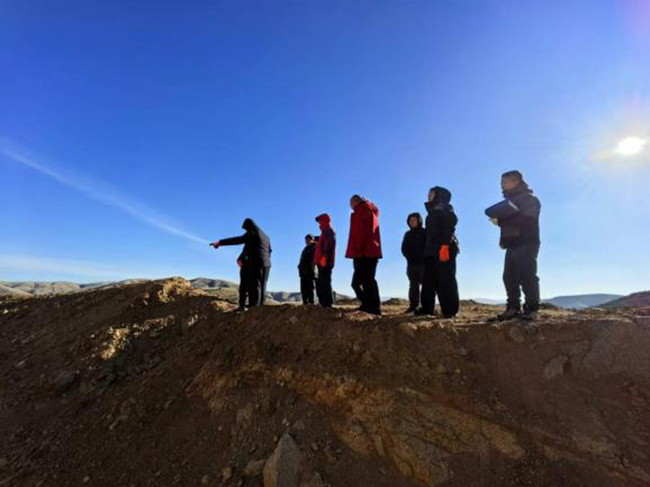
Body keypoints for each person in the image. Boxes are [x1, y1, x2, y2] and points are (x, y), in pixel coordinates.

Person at [491, 170, 541, 321]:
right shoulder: (510, 201)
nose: (501, 184)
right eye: (501, 182)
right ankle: (513, 308)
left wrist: (500, 221)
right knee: (509, 277)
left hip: (526, 242)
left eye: (504, 181)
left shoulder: (529, 199)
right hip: (512, 243)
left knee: (527, 276)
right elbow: (513, 220)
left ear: (516, 181)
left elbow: (527, 219)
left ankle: (532, 309)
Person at [416, 187, 460, 318]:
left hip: (444, 249)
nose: (428, 195)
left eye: (431, 193)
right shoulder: (431, 212)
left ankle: (449, 311)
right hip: (431, 251)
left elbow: (450, 225)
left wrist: (445, 245)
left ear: (439, 195)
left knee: (445, 280)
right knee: (428, 281)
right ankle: (426, 309)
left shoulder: (445, 208)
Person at [210, 218, 272, 307]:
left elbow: (237, 240)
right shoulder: (266, 237)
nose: (246, 231)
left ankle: (254, 307)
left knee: (255, 285)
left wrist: (220, 242)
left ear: (250, 227)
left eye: (246, 229)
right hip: (267, 264)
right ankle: (260, 306)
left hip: (257, 263)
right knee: (263, 284)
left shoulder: (252, 233)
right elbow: (269, 250)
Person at [345, 195, 382, 315]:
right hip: (366, 251)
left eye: (350, 204)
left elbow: (361, 232)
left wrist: (357, 250)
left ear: (355, 202)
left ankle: (374, 307)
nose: (350, 207)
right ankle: (367, 304)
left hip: (364, 252)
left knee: (368, 281)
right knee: (358, 282)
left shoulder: (363, 210)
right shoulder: (367, 210)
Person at [401, 212, 426, 313]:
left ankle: (426, 307)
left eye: (414, 220)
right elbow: (404, 249)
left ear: (419, 221)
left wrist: (425, 258)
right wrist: (409, 259)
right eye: (410, 220)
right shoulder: (408, 234)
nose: (412, 222)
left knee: (426, 286)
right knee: (413, 286)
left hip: (424, 264)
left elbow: (429, 246)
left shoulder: (425, 232)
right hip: (412, 264)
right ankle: (413, 306)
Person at [314, 214, 336, 307]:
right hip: (322, 261)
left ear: (324, 220)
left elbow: (330, 245)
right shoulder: (324, 232)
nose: (319, 223)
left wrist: (324, 257)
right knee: (322, 282)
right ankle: (324, 303)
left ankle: (328, 303)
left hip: (325, 261)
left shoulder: (328, 231)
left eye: (320, 220)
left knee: (325, 281)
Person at [298, 234, 317, 305]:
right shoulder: (305, 249)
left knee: (310, 287)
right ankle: (305, 303)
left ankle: (311, 303)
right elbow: (302, 259)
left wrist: (313, 264)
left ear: (312, 239)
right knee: (303, 288)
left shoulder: (315, 247)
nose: (306, 241)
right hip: (303, 272)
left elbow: (313, 259)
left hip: (310, 271)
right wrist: (299, 266)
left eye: (308, 239)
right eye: (305, 240)